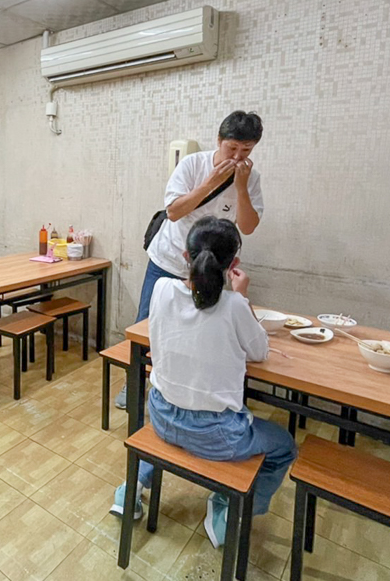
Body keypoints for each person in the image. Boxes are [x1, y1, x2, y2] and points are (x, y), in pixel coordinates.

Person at [110, 217, 296, 548]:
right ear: (234, 264)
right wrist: (243, 297)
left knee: (171, 433)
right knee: (284, 446)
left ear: (185, 256)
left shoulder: (161, 288)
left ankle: (131, 489)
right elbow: (259, 352)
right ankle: (225, 509)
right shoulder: (235, 306)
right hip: (218, 436)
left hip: (163, 416)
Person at [116, 110, 265, 409]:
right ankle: (132, 383)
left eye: (245, 150)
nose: (237, 156)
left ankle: (184, 392)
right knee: (146, 323)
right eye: (231, 148)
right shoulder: (192, 165)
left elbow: (248, 226)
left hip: (210, 265)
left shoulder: (251, 178)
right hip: (170, 258)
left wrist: (240, 187)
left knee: (199, 329)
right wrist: (211, 182)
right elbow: (174, 211)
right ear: (219, 141)